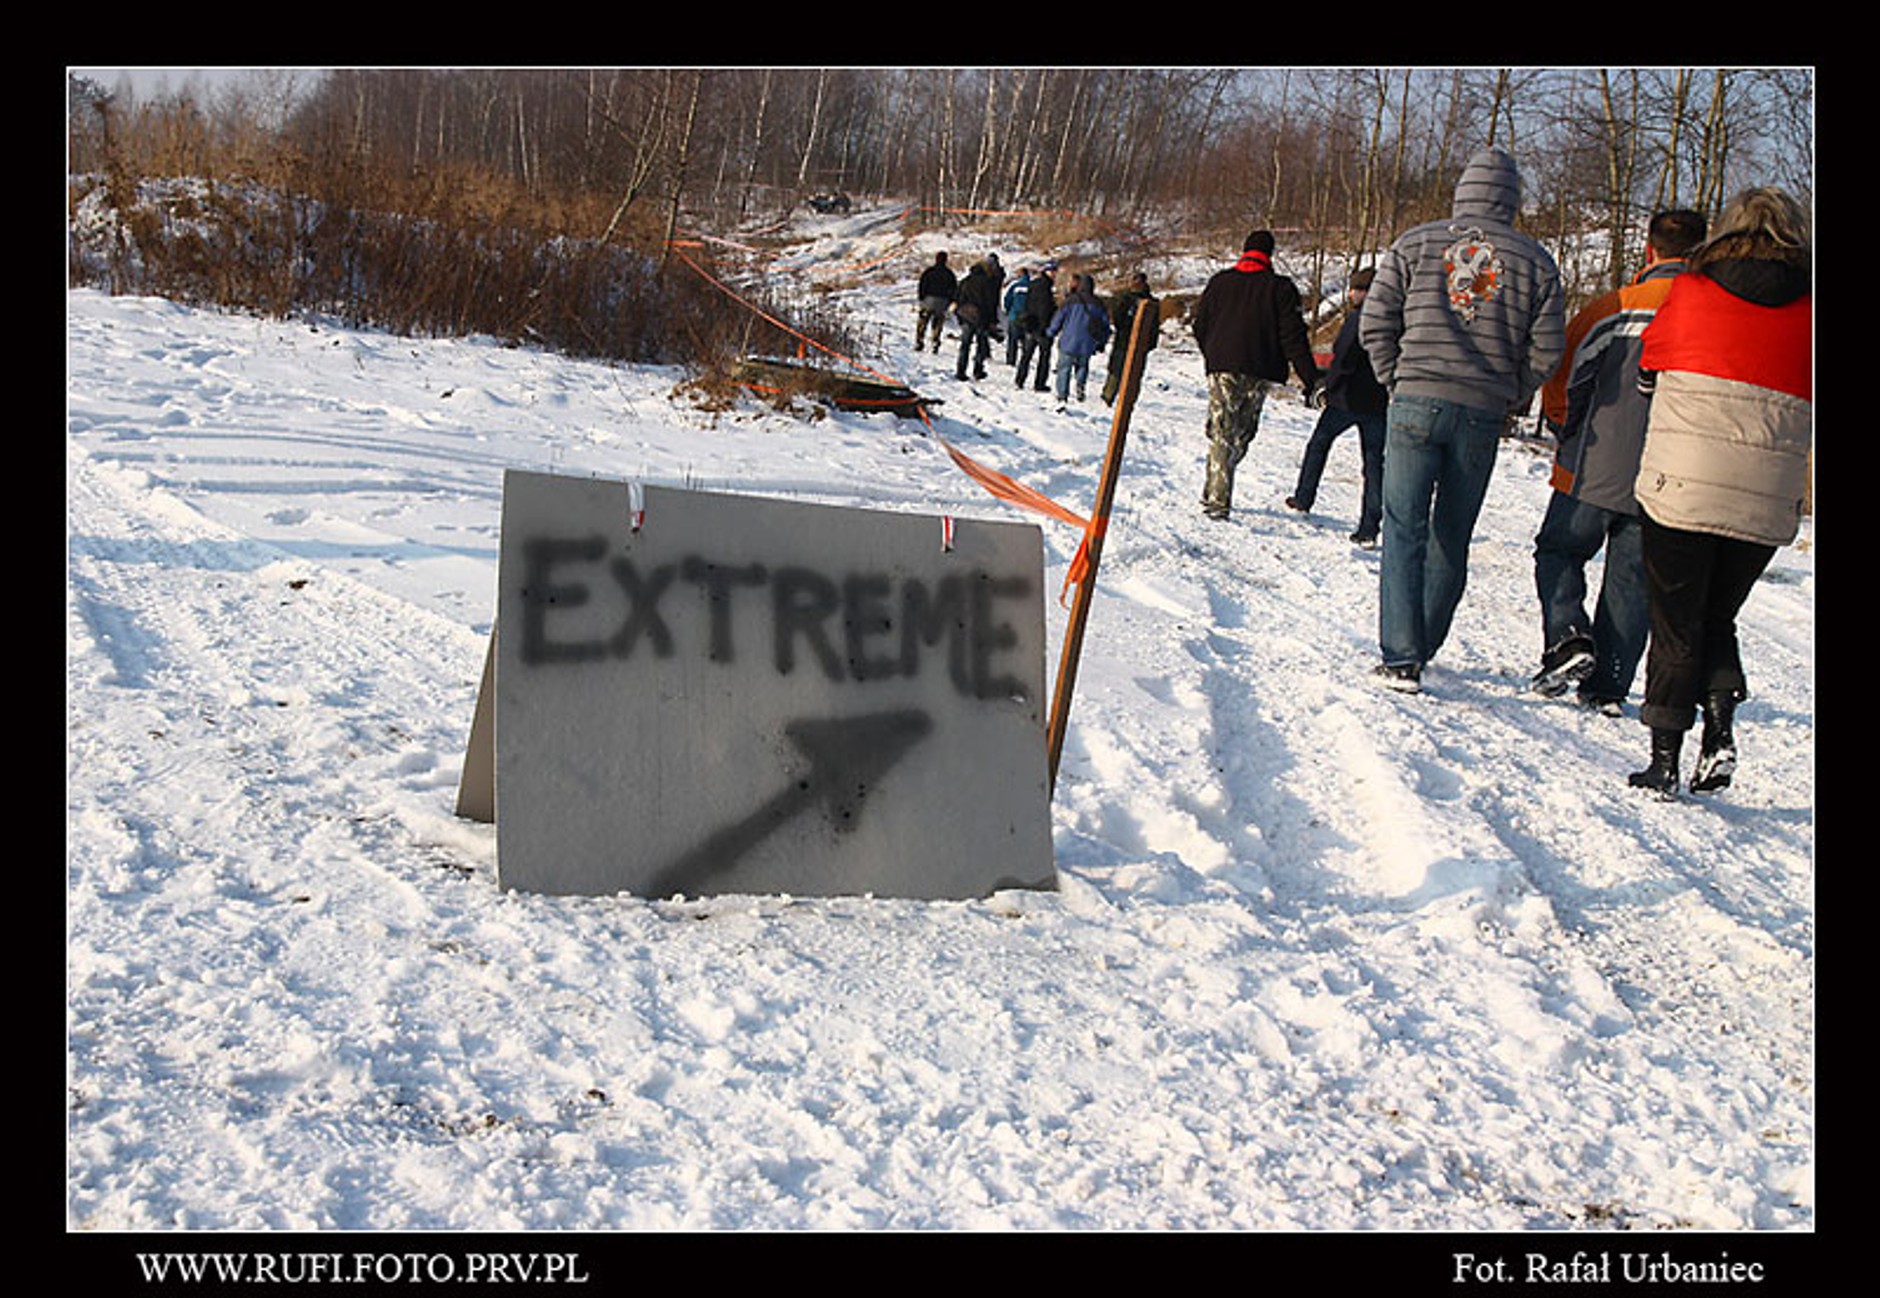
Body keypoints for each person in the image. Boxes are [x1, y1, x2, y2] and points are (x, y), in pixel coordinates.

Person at [1625, 187, 1812, 796]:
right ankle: (1720, 731)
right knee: (1717, 616)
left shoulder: (1692, 290)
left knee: (1677, 622)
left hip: (1682, 484)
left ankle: (1664, 761)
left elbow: (1647, 372)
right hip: (1765, 498)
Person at [1360, 147, 1565, 692]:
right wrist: (1510, 392)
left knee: (1402, 526)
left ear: (1462, 190)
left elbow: (1375, 320)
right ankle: (1423, 644)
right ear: (1513, 200)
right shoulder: (1536, 262)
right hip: (1481, 412)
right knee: (1452, 532)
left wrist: (1395, 377)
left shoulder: (1415, 243)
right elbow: (1548, 350)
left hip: (1414, 399)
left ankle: (1401, 656)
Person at [1530, 209, 1708, 712]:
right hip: (1672, 473)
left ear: (1650, 250)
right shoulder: (1715, 318)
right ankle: (1608, 685)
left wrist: (1565, 426)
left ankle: (1568, 636)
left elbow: (1564, 374)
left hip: (1595, 462)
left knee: (1560, 550)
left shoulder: (1615, 307)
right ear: (1701, 252)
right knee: (1633, 577)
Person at [1190, 230, 1322, 521]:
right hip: (1259, 370)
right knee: (1238, 433)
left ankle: (1215, 485)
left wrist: (1213, 353)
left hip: (1223, 366)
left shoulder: (1220, 283)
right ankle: (1218, 502)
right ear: (1270, 254)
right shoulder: (1281, 288)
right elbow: (1293, 337)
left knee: (1226, 431)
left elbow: (1200, 326)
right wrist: (1311, 377)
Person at [1284, 268, 1388, 546]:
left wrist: (1327, 387)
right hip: (1378, 400)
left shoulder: (1358, 318)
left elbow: (1343, 355)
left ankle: (1304, 497)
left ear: (1366, 292)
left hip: (1347, 397)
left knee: (1319, 444)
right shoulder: (1394, 318)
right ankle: (1369, 528)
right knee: (1374, 464)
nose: (1351, 294)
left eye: (1356, 289)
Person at [1046, 274, 1112, 404]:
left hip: (1068, 341)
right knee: (1082, 366)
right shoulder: (1098, 303)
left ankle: (1062, 395)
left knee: (1064, 368)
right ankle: (1080, 387)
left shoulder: (1070, 300)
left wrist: (1051, 332)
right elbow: (1105, 325)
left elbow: (1059, 318)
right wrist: (1102, 342)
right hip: (1087, 342)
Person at [1101, 272, 1160, 406]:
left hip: (1128, 342)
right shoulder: (1149, 302)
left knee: (1120, 372)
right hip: (1132, 342)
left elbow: (1117, 319)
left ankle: (1112, 397)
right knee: (1128, 373)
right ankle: (1118, 398)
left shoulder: (1129, 299)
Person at [952, 259, 1001, 381]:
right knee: (981, 344)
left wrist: (959, 314)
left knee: (965, 344)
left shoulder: (966, 281)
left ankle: (960, 370)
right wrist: (993, 320)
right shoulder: (988, 283)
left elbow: (957, 297)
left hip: (966, 316)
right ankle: (978, 370)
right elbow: (991, 303)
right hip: (981, 318)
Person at [1014, 261, 1058, 392]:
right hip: (1041, 326)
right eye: (1052, 271)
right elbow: (1044, 309)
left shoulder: (1033, 285)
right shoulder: (1046, 287)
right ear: (1046, 272)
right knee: (1044, 357)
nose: (1054, 274)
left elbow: (1028, 304)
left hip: (1030, 324)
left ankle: (1020, 379)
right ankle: (1039, 383)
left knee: (1026, 355)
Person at [915, 252, 956, 353]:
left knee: (922, 322)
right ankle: (935, 342)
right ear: (946, 260)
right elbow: (954, 289)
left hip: (928, 301)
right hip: (942, 302)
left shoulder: (929, 272)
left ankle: (919, 341)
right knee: (937, 324)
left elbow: (922, 285)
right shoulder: (949, 274)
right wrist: (949, 301)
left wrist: (921, 298)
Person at [1002, 267, 1033, 366]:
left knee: (1012, 340)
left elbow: (1007, 299)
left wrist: (1008, 310)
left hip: (1014, 315)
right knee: (1025, 341)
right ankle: (1024, 361)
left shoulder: (1015, 286)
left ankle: (1011, 360)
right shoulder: (1032, 286)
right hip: (1027, 317)